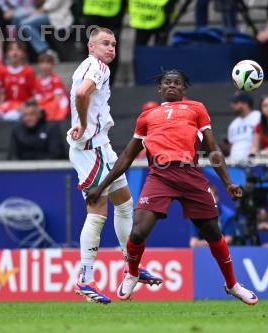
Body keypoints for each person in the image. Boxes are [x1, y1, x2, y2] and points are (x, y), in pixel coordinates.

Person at [85, 69, 259, 304]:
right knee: (137, 232)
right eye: (167, 83)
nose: (171, 86)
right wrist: (102, 186)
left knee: (213, 234)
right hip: (160, 175)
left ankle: (232, 284)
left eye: (177, 83)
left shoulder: (196, 108)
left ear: (183, 89)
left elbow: (212, 147)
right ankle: (133, 273)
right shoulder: (147, 116)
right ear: (160, 88)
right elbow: (127, 155)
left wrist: (227, 182)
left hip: (190, 174)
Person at [67, 27, 161, 304]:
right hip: (90, 148)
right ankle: (85, 279)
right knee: (97, 210)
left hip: (101, 146)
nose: (111, 48)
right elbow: (82, 94)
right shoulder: (97, 67)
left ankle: (130, 266)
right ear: (91, 47)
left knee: (124, 203)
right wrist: (83, 124)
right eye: (105, 43)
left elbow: (82, 94)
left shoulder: (89, 65)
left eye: (114, 44)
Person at [0, 41, 36, 126]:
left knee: (11, 117)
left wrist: (26, 105)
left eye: (18, 50)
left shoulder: (28, 71)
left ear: (23, 53)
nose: (14, 53)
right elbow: (1, 93)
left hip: (22, 105)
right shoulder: (3, 71)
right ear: (7, 53)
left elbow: (35, 95)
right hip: (7, 105)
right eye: (11, 50)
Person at [34, 53, 69, 121]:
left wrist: (46, 102)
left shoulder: (55, 79)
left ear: (52, 65)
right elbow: (37, 97)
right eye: (42, 63)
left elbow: (58, 97)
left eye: (48, 63)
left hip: (54, 103)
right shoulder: (37, 80)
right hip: (43, 103)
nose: (45, 66)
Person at [227, 92, 261, 162]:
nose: (232, 105)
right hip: (235, 165)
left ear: (245, 103)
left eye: (236, 102)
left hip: (255, 163)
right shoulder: (233, 124)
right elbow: (231, 145)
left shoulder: (258, 116)